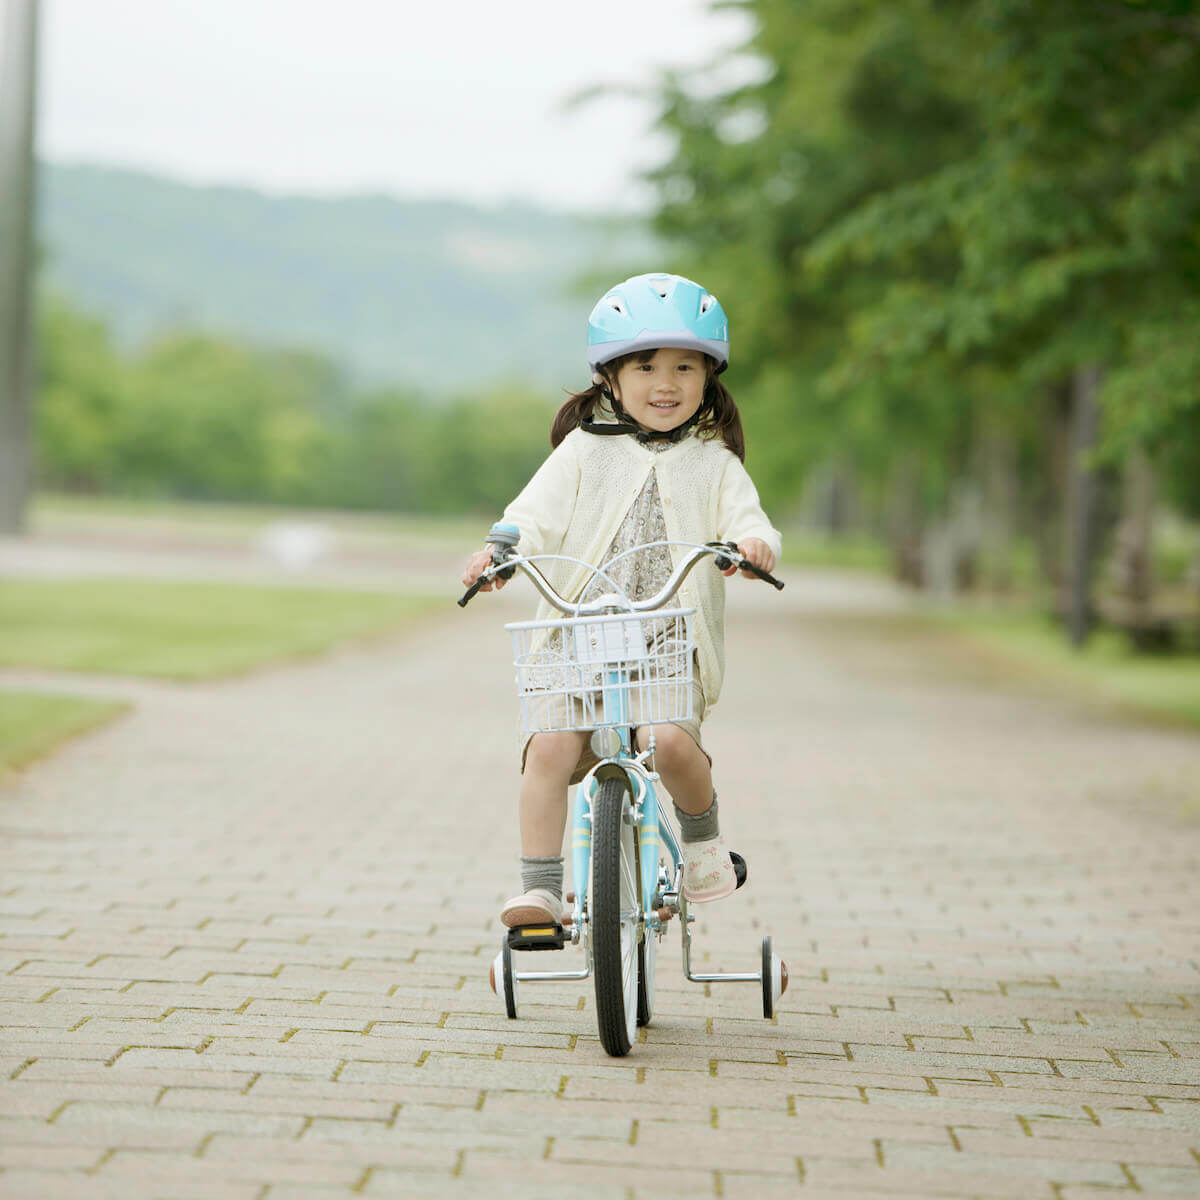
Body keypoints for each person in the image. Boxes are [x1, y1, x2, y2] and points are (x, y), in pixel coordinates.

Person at [461, 272, 782, 928]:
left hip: (671, 635)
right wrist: (500, 552)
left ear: (708, 378)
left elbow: (748, 516)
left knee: (666, 740)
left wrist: (752, 544)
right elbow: (534, 515)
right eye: (645, 366)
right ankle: (543, 890)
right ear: (610, 377)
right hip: (581, 631)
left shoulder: (713, 459)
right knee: (548, 746)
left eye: (684, 368)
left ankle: (702, 848)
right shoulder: (584, 451)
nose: (666, 383)